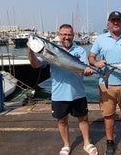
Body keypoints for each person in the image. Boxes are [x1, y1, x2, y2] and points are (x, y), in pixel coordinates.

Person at [27, 24, 98, 155]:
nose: (66, 37)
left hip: (78, 93)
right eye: (64, 34)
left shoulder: (80, 50)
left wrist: (87, 71)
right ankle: (66, 145)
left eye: (69, 34)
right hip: (59, 94)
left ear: (73, 35)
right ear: (59, 35)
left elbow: (84, 68)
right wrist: (31, 51)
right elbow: (35, 65)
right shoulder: (49, 49)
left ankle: (87, 143)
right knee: (62, 120)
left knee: (83, 119)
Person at [88, 11, 121, 155]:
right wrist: (96, 63)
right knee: (108, 115)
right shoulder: (100, 39)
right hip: (106, 84)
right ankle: (110, 141)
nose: (115, 22)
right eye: (113, 20)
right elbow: (91, 57)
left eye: (118, 20)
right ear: (108, 23)